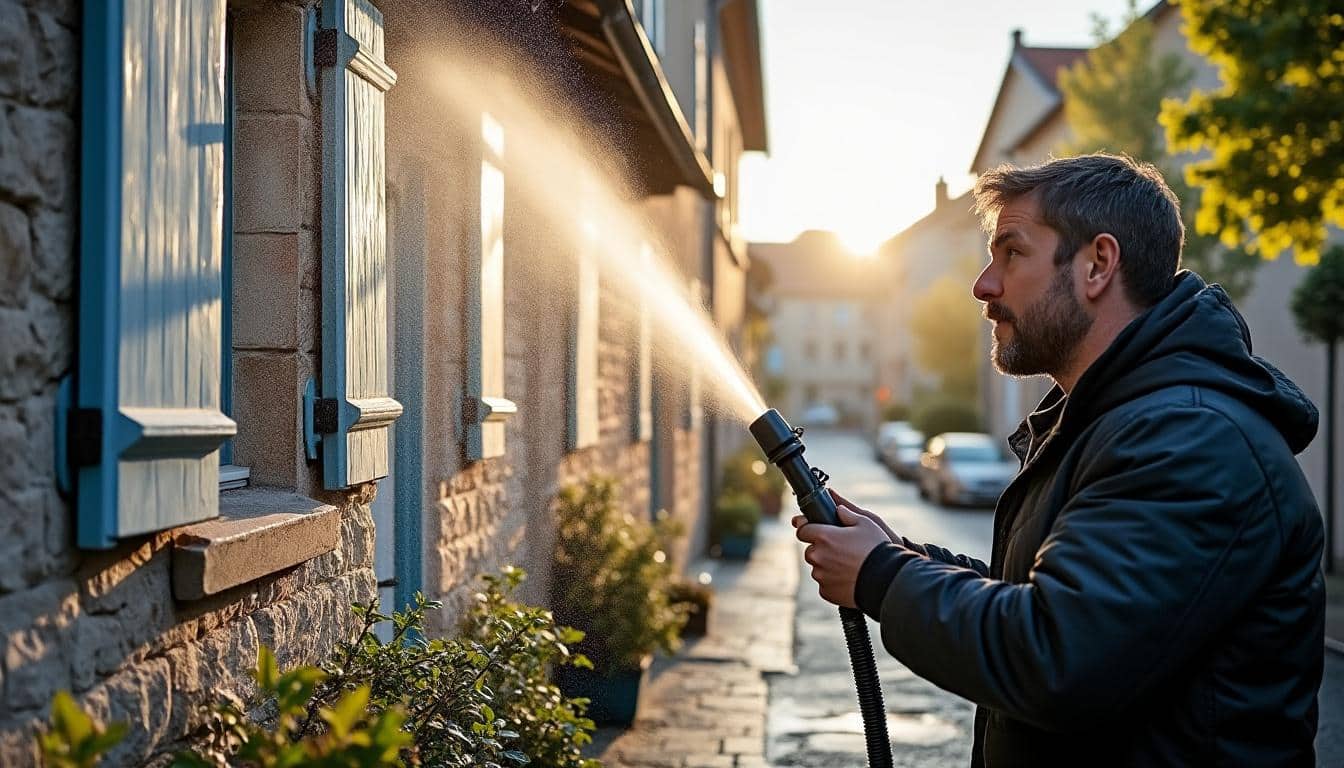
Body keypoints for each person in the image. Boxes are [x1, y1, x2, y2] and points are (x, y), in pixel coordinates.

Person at [794, 154, 1325, 767]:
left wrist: (883, 580)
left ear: (1097, 264)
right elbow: (1050, 596)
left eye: (1011, 253)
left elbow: (1059, 657)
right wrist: (901, 557)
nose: (983, 285)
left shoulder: (1189, 439)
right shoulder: (1116, 422)